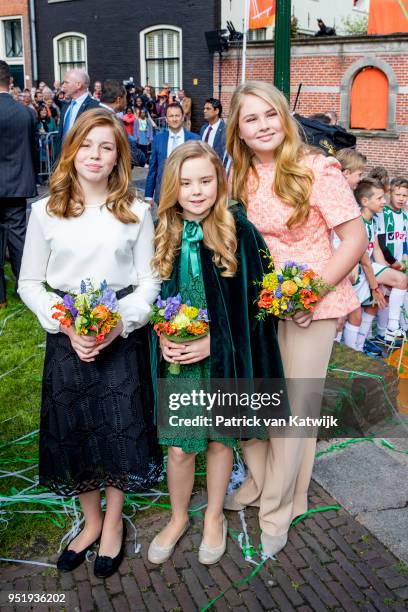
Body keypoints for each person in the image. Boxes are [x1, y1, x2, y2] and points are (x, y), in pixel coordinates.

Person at [224, 81, 367, 557]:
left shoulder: (315, 169)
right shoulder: (239, 174)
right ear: (238, 130)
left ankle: (276, 512)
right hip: (262, 303)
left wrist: (313, 293)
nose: (262, 125)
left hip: (314, 304)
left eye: (270, 114)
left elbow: (353, 239)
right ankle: (280, 488)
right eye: (251, 118)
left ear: (283, 117)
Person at [18, 108, 162, 578]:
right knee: (77, 429)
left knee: (119, 430)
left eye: (106, 146)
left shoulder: (137, 211)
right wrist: (66, 325)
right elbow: (30, 283)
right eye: (86, 145)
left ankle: (115, 525)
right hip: (67, 333)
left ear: (119, 154)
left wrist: (120, 323)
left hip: (120, 332)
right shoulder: (44, 211)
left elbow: (148, 281)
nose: (95, 155)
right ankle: (90, 522)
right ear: (71, 150)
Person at [147, 140, 288, 566]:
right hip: (179, 362)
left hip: (222, 359)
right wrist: (161, 334)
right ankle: (176, 517)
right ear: (174, 186)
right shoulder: (164, 230)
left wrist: (218, 342)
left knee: (219, 441)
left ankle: (213, 517)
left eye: (205, 180)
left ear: (219, 181)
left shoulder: (238, 229)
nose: (196, 190)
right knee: (179, 447)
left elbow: (261, 302)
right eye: (186, 182)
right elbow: (154, 294)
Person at [0, 60, 37, 307]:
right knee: (18, 237)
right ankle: (26, 290)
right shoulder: (25, 112)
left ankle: (0, 297)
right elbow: (33, 150)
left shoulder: (26, 112)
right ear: (10, 81)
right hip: (17, 183)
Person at [145, 103, 199, 205]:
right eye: (171, 116)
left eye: (177, 116)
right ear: (166, 119)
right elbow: (153, 168)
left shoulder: (195, 139)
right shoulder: (158, 139)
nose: (174, 119)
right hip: (164, 193)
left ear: (183, 117)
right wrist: (148, 195)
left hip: (188, 194)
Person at [376, 177, 408, 338]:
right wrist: (393, 263)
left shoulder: (404, 215)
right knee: (382, 298)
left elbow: (404, 240)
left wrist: (404, 257)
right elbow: (381, 244)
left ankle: (388, 332)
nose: (401, 199)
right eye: (398, 194)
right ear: (390, 194)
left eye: (405, 195)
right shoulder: (383, 213)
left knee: (393, 296)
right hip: (385, 262)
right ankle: (382, 331)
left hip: (398, 263)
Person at [56, 68, 100, 156]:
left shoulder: (95, 107)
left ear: (78, 85)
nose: (63, 86)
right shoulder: (66, 106)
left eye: (66, 82)